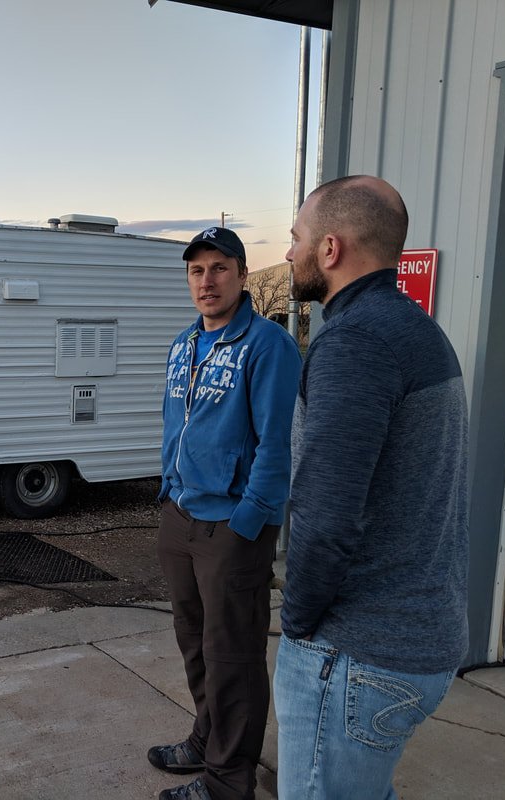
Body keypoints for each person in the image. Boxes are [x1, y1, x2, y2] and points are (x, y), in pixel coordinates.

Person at [275, 175, 468, 799]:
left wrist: (299, 624)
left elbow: (326, 515)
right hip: (417, 641)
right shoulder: (418, 332)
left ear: (330, 249)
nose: (289, 253)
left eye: (297, 238)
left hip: (356, 653)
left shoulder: (355, 342)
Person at [150, 227, 301, 800]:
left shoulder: (268, 345)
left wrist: (251, 521)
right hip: (181, 515)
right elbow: (176, 427)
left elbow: (276, 442)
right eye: (196, 270)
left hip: (231, 526)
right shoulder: (185, 344)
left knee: (232, 653)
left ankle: (227, 781)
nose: (206, 280)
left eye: (218, 268)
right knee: (195, 641)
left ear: (241, 274)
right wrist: (169, 488)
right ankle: (205, 739)